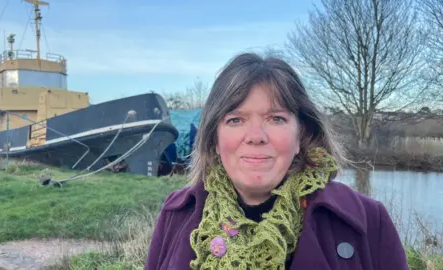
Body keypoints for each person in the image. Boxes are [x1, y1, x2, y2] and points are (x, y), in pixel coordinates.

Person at [145, 52, 409, 269]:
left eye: (276, 119)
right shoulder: (175, 215)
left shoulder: (369, 221)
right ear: (214, 138)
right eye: (235, 120)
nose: (256, 137)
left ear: (301, 135)